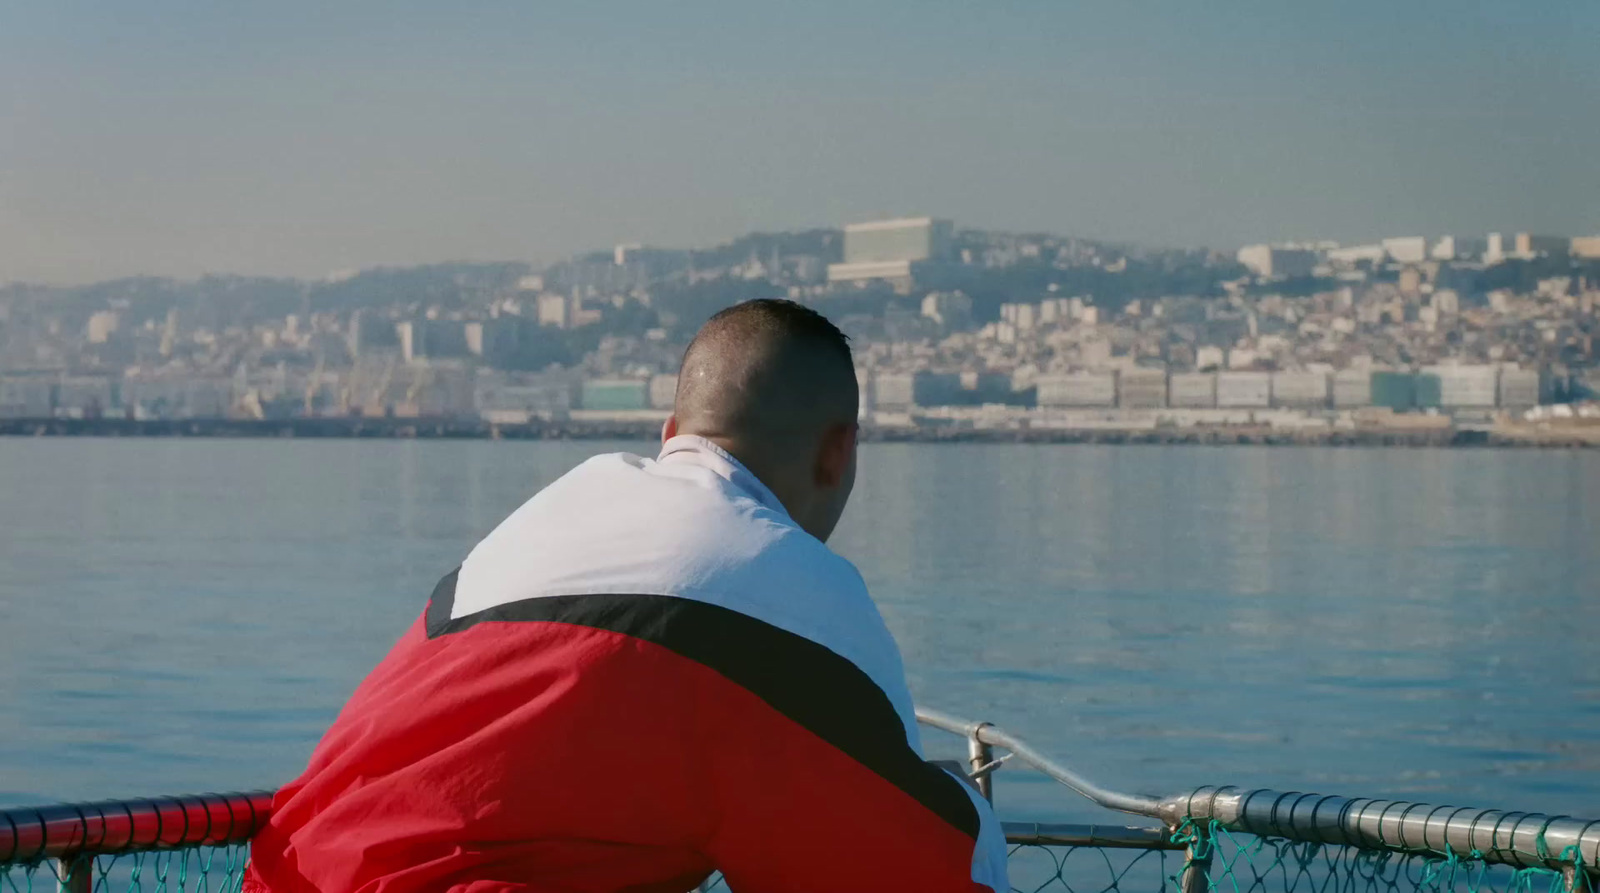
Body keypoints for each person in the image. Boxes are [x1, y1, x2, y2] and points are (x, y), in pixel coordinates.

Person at [244, 299, 1009, 893]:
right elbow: (934, 870)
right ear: (839, 450)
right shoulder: (791, 593)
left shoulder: (538, 525)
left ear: (672, 429)